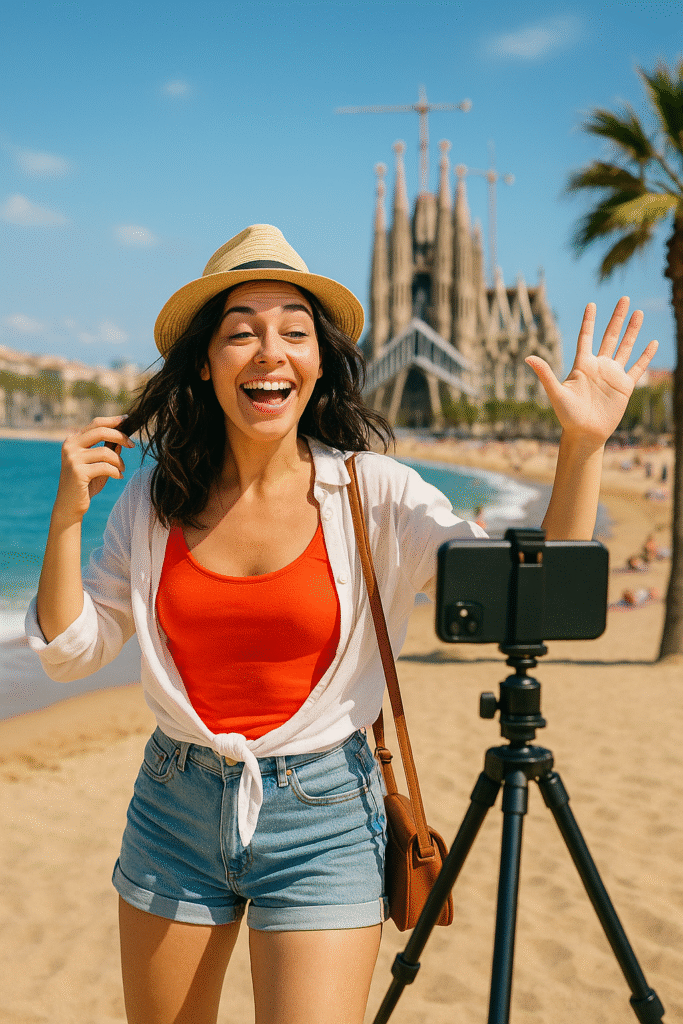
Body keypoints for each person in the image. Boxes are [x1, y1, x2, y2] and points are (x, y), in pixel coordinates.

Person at [26, 224, 657, 1024]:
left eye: (294, 331)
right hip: (172, 807)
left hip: (325, 816)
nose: (269, 351)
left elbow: (527, 600)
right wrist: (65, 520)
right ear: (205, 363)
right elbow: (72, 652)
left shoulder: (375, 493)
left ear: (319, 363)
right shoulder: (155, 504)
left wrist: (582, 447)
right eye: (240, 333)